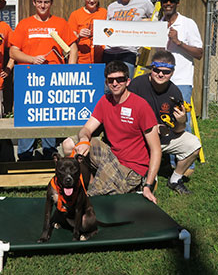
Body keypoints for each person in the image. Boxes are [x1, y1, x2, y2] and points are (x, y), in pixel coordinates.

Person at [62, 61, 161, 204]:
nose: (115, 83)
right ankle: (90, 184)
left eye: (120, 79)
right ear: (106, 82)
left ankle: (110, 187)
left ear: (127, 82)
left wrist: (148, 186)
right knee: (70, 144)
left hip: (131, 169)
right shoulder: (105, 101)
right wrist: (84, 140)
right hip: (112, 156)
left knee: (93, 201)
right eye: (111, 80)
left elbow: (156, 150)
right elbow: (86, 129)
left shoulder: (141, 106)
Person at [9, 0, 78, 161]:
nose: (43, 5)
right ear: (34, 3)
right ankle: (25, 157)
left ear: (51, 3)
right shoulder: (24, 24)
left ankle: (49, 155)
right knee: (27, 117)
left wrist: (71, 70)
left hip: (54, 79)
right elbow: (13, 52)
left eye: (46, 2)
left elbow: (73, 48)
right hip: (28, 79)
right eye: (39, 2)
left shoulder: (60, 23)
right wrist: (32, 59)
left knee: (50, 116)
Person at [128, 50, 201, 195]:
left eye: (166, 72)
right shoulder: (137, 85)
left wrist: (181, 121)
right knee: (148, 187)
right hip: (138, 139)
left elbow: (179, 130)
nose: (161, 74)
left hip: (162, 138)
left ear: (172, 72)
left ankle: (175, 179)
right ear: (152, 69)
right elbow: (125, 116)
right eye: (157, 70)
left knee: (194, 144)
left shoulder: (174, 92)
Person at [160, 0, 203, 175]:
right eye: (165, 1)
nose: (168, 4)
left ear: (177, 2)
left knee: (181, 120)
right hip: (161, 80)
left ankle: (187, 165)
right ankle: (170, 162)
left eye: (171, 0)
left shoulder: (188, 23)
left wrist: (178, 42)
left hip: (181, 80)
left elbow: (199, 53)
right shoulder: (157, 23)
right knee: (164, 120)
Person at [104, 0, 154, 77]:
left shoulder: (144, 3)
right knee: (108, 88)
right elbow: (107, 30)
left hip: (128, 52)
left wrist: (147, 22)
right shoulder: (112, 7)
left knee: (125, 84)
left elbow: (157, 21)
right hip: (109, 52)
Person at [68, 0, 107, 64]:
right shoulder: (75, 15)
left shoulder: (105, 13)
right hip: (81, 60)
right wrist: (79, 35)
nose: (92, 1)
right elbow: (69, 40)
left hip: (101, 60)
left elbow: (111, 32)